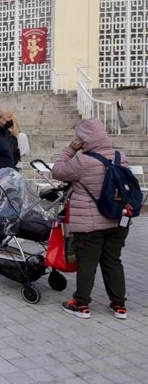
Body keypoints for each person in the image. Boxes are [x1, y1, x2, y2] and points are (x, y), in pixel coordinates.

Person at [52, 118, 131, 320]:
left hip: (89, 223)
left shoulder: (82, 161)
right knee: (113, 261)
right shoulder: (119, 156)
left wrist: (69, 150)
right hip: (117, 220)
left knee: (87, 263)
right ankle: (119, 305)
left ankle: (81, 304)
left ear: (84, 139)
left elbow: (58, 171)